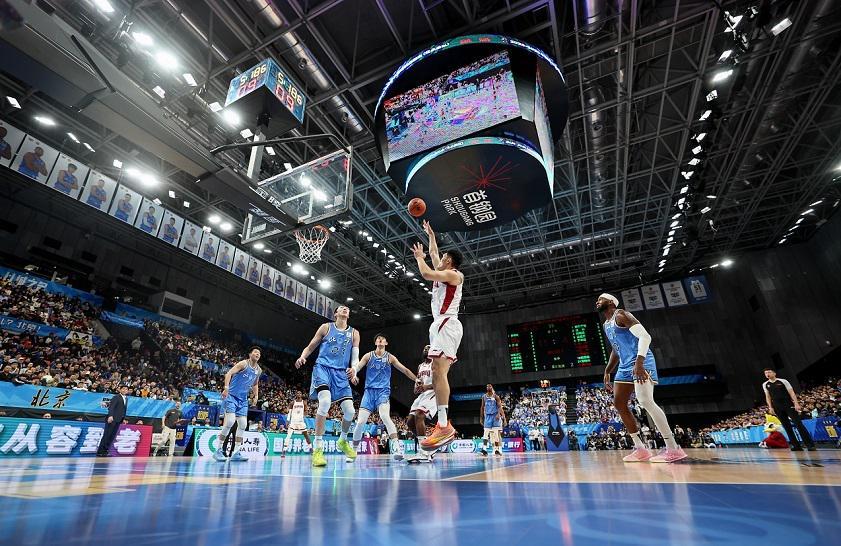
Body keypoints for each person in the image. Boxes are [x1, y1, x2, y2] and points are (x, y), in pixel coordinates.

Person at [597, 293, 687, 463]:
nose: (597, 301)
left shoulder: (622, 315)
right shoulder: (606, 324)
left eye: (601, 299)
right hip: (624, 365)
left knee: (645, 401)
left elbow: (645, 336)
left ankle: (673, 448)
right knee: (619, 403)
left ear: (610, 302)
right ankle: (640, 449)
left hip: (640, 360)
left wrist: (639, 362)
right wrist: (607, 371)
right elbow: (616, 349)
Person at [412, 220, 464, 450]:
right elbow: (433, 254)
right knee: (436, 372)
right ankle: (442, 425)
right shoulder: (443, 273)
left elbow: (425, 272)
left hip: (447, 323)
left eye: (443, 258)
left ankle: (443, 425)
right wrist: (431, 235)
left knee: (439, 371)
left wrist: (419, 258)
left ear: (449, 262)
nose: (439, 259)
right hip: (440, 325)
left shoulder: (454, 275)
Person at [295, 305, 359, 467]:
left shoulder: (354, 333)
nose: (345, 309)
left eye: (347, 309)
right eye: (341, 308)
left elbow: (355, 357)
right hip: (322, 368)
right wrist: (303, 357)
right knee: (324, 402)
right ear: (335, 313)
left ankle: (342, 441)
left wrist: (354, 370)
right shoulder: (326, 327)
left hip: (341, 373)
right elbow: (311, 346)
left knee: (350, 411)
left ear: (349, 315)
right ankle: (318, 449)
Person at [348, 333, 418, 461]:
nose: (380, 340)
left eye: (383, 339)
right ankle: (353, 451)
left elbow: (405, 370)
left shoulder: (390, 358)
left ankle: (397, 449)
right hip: (369, 392)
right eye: (378, 339)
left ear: (386, 343)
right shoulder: (368, 356)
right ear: (375, 343)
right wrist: (354, 373)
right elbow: (357, 367)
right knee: (360, 422)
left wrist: (416, 379)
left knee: (385, 416)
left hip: (383, 392)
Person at [214, 347, 262, 462]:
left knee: (243, 424)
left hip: (243, 400)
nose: (257, 354)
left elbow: (255, 384)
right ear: (250, 354)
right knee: (230, 421)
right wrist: (226, 388)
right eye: (255, 352)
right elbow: (229, 373)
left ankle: (236, 452)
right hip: (231, 396)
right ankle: (218, 450)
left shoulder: (258, 370)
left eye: (259, 353)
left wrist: (256, 396)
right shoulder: (243, 364)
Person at [762, 368, 816, 451]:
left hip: (788, 405)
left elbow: (792, 393)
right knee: (786, 426)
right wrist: (770, 407)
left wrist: (796, 403)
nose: (767, 374)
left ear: (774, 373)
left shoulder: (783, 381)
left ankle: (810, 445)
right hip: (777, 407)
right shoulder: (765, 384)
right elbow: (768, 396)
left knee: (798, 424)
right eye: (766, 373)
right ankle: (796, 445)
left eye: (769, 372)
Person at [406, 345, 436, 461]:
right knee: (410, 422)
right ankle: (428, 445)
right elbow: (418, 383)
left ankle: (424, 451)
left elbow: (440, 382)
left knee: (419, 415)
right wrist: (417, 388)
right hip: (422, 395)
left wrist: (426, 387)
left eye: (428, 348)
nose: (425, 349)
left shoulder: (435, 363)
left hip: (433, 393)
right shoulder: (420, 366)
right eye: (424, 348)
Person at [97, 384, 128, 456]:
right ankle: (100, 451)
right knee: (107, 435)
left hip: (118, 420)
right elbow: (111, 407)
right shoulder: (116, 397)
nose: (124, 390)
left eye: (126, 389)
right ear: (120, 389)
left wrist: (124, 418)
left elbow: (124, 409)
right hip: (112, 419)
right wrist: (110, 416)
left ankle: (106, 451)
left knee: (112, 436)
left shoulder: (126, 398)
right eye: (123, 389)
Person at [281, 392, 312, 457]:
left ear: (301, 395)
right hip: (293, 422)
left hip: (301, 422)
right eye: (297, 393)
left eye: (300, 393)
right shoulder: (292, 403)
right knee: (288, 436)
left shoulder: (304, 402)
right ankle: (284, 451)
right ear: (296, 394)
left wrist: (304, 415)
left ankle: (311, 449)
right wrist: (288, 420)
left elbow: (306, 411)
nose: (299, 394)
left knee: (306, 435)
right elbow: (289, 413)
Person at [480, 384, 505, 456]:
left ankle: (497, 449)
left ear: (492, 388)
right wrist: (481, 418)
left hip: (495, 417)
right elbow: (482, 407)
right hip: (488, 417)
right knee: (485, 433)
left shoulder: (496, 396)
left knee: (496, 434)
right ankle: (484, 449)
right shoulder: (484, 397)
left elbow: (500, 407)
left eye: (490, 386)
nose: (488, 387)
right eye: (487, 386)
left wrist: (498, 414)